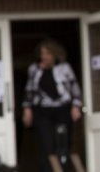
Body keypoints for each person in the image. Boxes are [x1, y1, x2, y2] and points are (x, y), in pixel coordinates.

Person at [21, 38, 83, 172]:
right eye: (42, 54)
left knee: (63, 143)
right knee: (46, 144)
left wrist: (76, 106)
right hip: (42, 110)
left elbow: (75, 88)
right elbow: (29, 90)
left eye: (47, 54)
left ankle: (63, 169)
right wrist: (27, 109)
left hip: (62, 109)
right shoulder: (34, 69)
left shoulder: (64, 68)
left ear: (54, 54)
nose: (44, 57)